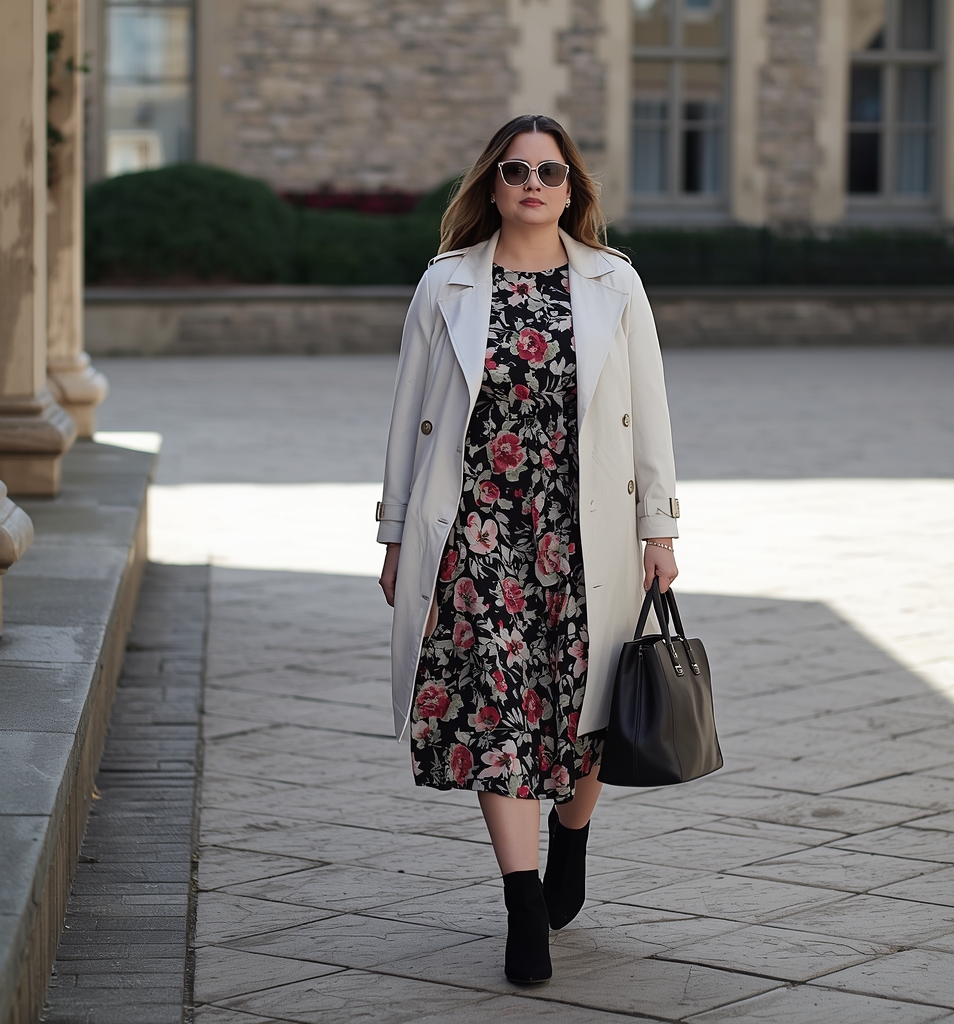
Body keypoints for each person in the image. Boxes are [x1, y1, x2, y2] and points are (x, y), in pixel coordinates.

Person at [377, 114, 679, 984]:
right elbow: (408, 419)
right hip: (475, 529)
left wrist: (660, 527)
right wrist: (397, 534)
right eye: (516, 171)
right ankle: (521, 908)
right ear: (494, 184)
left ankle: (572, 836)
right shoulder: (446, 287)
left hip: (586, 529)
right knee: (493, 710)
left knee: (585, 713)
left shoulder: (616, 283)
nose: (534, 184)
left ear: (573, 188)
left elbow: (649, 413)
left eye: (550, 172)